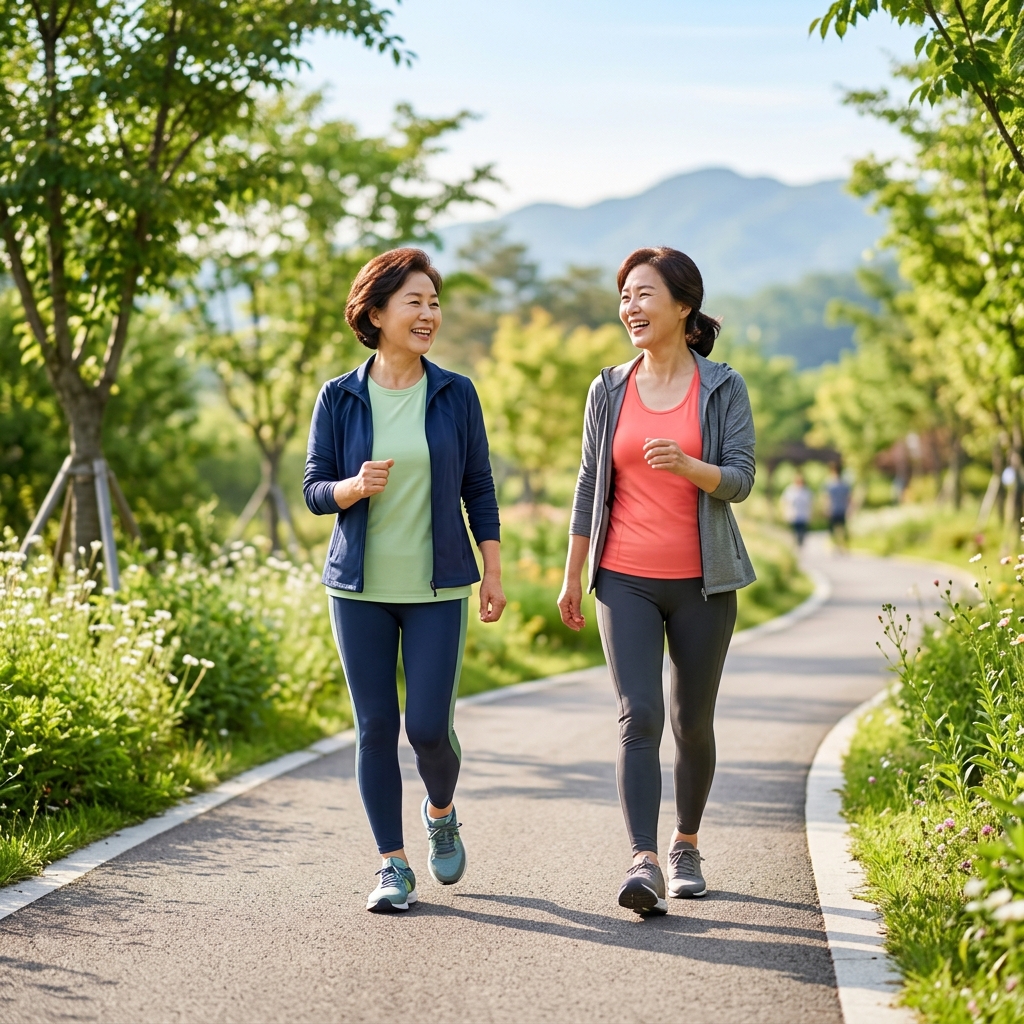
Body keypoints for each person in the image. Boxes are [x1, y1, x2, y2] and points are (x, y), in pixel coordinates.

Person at [303, 248, 506, 914]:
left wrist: (492, 571)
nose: (429, 315)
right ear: (377, 311)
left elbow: (478, 485)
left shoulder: (455, 393)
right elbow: (312, 490)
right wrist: (350, 488)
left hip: (437, 588)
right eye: (415, 302)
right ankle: (392, 865)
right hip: (357, 588)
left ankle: (440, 810)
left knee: (425, 728)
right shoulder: (339, 396)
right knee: (373, 726)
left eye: (434, 303)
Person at [558, 246, 756, 916]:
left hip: (705, 582)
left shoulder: (722, 386)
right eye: (624, 297)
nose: (630, 308)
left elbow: (741, 478)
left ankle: (686, 844)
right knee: (637, 716)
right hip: (625, 579)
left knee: (690, 721)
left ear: (683, 306)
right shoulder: (606, 388)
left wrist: (690, 466)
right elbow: (589, 482)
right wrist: (571, 573)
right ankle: (642, 859)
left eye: (644, 295)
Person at [780, 473, 813, 547]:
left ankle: (799, 546)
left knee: (802, 535)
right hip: (793, 516)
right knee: (794, 534)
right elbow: (784, 501)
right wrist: (784, 513)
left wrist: (810, 515)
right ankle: (795, 547)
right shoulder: (790, 490)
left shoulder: (806, 491)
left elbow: (810, 504)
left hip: (803, 516)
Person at [825, 463, 851, 549]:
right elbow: (848, 498)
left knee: (834, 530)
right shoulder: (845, 485)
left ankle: (837, 545)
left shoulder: (830, 485)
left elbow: (827, 498)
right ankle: (841, 545)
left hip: (834, 509)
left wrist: (826, 508)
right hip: (841, 509)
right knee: (842, 529)